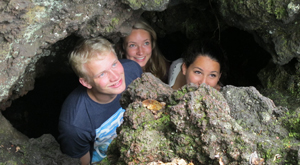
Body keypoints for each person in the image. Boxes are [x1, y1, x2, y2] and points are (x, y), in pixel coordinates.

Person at [58, 36, 142, 164]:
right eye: (102, 74)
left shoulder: (132, 71)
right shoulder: (75, 124)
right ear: (86, 82)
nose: (115, 76)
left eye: (114, 64)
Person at [118, 18, 169, 83]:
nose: (140, 52)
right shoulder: (116, 77)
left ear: (152, 44)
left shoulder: (164, 69)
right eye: (132, 45)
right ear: (121, 48)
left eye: (146, 43)